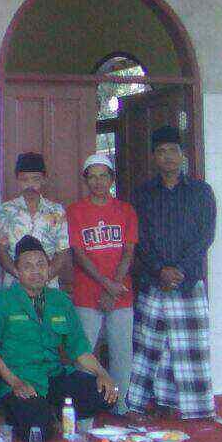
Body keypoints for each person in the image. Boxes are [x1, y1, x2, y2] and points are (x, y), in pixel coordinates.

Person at [125, 125, 218, 421]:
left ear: (182, 155)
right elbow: (139, 238)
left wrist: (180, 270)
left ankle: (197, 407)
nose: (167, 157)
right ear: (154, 157)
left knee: (192, 348)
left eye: (173, 151)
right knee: (150, 346)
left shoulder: (201, 192)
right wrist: (160, 270)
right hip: (154, 281)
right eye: (161, 151)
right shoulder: (143, 194)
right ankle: (148, 403)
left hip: (188, 281)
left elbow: (205, 236)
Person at [0, 236, 118, 439]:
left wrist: (103, 373)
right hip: (19, 380)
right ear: (16, 271)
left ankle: (51, 411)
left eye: (41, 265)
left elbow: (79, 348)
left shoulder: (60, 300)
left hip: (53, 376)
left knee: (107, 394)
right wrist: (15, 382)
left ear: (48, 268)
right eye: (28, 266)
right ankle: (18, 413)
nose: (36, 271)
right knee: (39, 431)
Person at [66, 153, 138, 413]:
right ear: (85, 180)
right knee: (84, 353)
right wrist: (107, 285)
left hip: (121, 294)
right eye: (92, 177)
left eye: (103, 176)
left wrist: (113, 286)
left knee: (122, 354)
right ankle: (85, 408)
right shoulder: (75, 211)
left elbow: (128, 251)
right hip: (87, 294)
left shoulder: (126, 210)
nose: (98, 182)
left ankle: (120, 407)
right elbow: (78, 253)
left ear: (112, 179)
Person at [0, 152, 69, 287]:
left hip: (48, 283)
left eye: (35, 179)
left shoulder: (56, 211)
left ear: (44, 180)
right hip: (15, 283)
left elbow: (63, 251)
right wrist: (19, 275)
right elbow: (1, 250)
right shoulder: (6, 210)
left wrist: (44, 278)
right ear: (17, 180)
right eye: (24, 180)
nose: (30, 185)